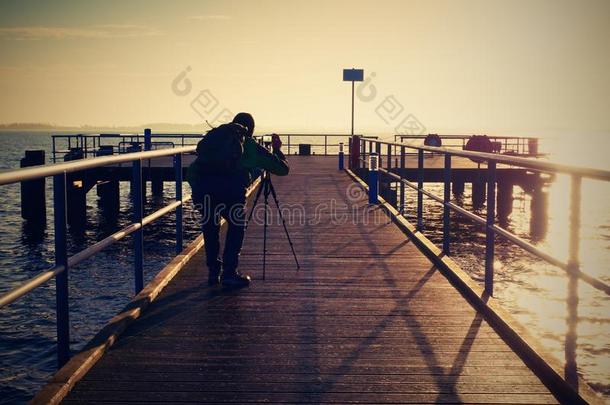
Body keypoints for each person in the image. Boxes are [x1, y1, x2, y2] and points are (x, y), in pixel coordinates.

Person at [187, 112, 289, 288]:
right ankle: (229, 273)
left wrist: (198, 188)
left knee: (210, 228)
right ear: (251, 130)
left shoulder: (216, 142)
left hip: (204, 191)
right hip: (231, 194)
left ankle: (213, 272)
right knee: (236, 226)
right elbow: (282, 169)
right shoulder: (249, 145)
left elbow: (191, 171)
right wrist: (277, 149)